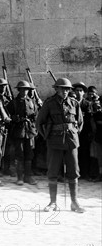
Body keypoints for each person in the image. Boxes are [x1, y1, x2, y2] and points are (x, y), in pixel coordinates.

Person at [36, 78, 85, 213]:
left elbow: (80, 122)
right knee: (52, 171)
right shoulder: (49, 103)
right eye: (62, 89)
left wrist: (74, 134)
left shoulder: (74, 103)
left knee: (74, 172)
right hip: (54, 141)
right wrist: (47, 136)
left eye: (67, 89)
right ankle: (52, 202)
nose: (65, 91)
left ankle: (74, 202)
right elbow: (39, 123)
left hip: (71, 141)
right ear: (56, 89)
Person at [7, 80, 38, 186]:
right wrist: (14, 119)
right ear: (19, 90)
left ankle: (28, 177)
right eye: (22, 89)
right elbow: (8, 118)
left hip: (29, 131)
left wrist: (34, 129)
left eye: (26, 89)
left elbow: (36, 116)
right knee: (19, 154)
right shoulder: (13, 103)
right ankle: (19, 177)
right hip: (18, 131)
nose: (24, 91)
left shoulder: (32, 102)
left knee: (29, 154)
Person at [0, 78, 13, 176]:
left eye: (4, 86)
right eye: (1, 86)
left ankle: (7, 168)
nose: (3, 88)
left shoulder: (8, 98)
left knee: (8, 149)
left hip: (8, 127)